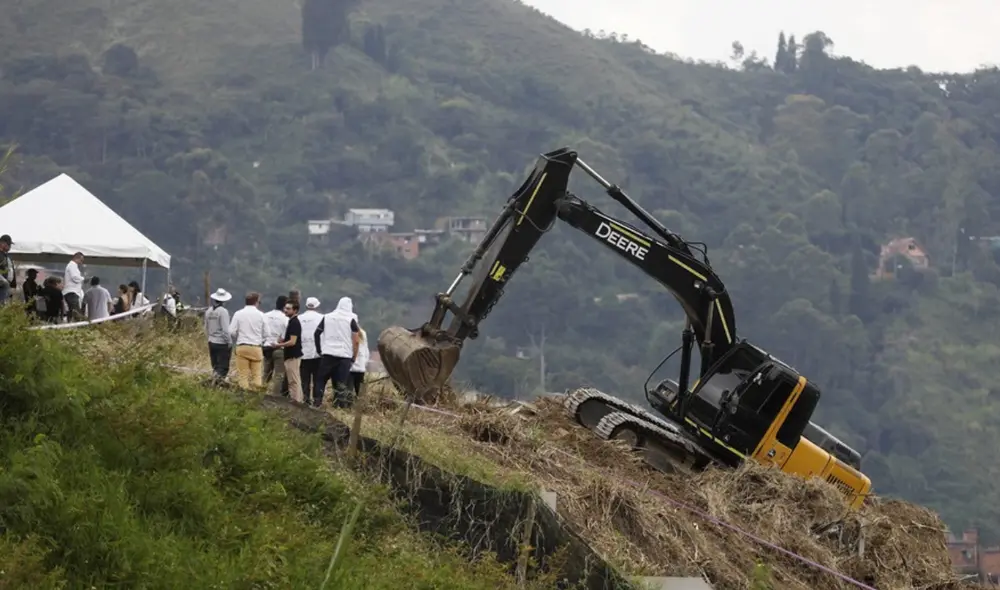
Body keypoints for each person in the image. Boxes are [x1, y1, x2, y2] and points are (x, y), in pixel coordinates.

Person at [313, 296, 361, 408]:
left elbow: (316, 333)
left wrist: (319, 350)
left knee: (320, 380)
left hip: (328, 353)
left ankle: (317, 402)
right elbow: (356, 341)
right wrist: (354, 356)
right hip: (344, 356)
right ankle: (339, 405)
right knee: (340, 383)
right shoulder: (351, 320)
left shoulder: (327, 317)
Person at [229, 291, 265, 390]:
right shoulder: (261, 315)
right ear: (256, 302)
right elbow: (267, 333)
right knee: (257, 375)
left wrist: (239, 336)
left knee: (243, 375)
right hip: (256, 347)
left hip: (242, 346)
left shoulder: (238, 314)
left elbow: (231, 331)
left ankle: (243, 396)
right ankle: (257, 396)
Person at [298, 297, 323, 406]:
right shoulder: (322, 318)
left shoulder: (299, 318)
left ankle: (305, 399)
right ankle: (317, 401)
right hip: (317, 353)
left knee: (304, 379)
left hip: (302, 353)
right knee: (318, 379)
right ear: (317, 306)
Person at [204, 288, 233, 382]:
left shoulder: (208, 311)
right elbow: (225, 329)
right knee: (223, 366)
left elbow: (206, 327)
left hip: (211, 341)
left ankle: (213, 381)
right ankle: (216, 382)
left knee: (215, 365)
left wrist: (209, 337)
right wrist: (229, 341)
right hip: (221, 342)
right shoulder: (223, 311)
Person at [277, 299, 304, 403]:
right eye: (285, 308)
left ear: (295, 310)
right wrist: (283, 340)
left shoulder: (295, 323)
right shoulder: (291, 322)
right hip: (290, 355)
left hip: (292, 356)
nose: (285, 310)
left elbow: (293, 342)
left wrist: (279, 345)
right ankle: (297, 400)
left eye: (288, 309)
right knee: (293, 379)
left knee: (293, 380)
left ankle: (296, 401)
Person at [262, 295, 289, 396]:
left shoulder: (266, 315)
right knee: (278, 375)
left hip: (266, 347)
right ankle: (275, 397)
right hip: (279, 348)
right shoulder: (285, 319)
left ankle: (260, 392)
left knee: (266, 373)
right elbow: (286, 335)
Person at [349, 322, 370, 398]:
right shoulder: (363, 333)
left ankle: (348, 406)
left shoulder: (350, 332)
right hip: (361, 366)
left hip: (351, 365)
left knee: (349, 389)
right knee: (360, 389)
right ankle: (361, 405)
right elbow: (366, 350)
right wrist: (365, 362)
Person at [63, 252, 85, 321]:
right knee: (76, 312)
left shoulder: (72, 265)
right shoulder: (72, 265)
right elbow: (75, 277)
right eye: (81, 260)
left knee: (71, 311)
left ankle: (70, 325)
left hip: (71, 292)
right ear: (76, 258)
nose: (81, 263)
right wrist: (83, 279)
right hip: (72, 292)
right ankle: (78, 327)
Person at [0, 235, 15, 303]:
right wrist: (3, 280)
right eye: (8, 244)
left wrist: (12, 285)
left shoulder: (6, 255)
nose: (10, 246)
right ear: (2, 243)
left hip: (6, 285)